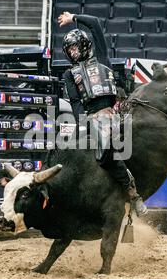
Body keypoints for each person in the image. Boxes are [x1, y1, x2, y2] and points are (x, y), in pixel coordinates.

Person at [58, 12, 148, 217]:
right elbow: (75, 102)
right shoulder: (69, 74)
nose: (72, 53)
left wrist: (73, 18)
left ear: (83, 46)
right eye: (69, 50)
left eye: (74, 47)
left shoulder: (102, 58)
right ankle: (131, 194)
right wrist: (86, 122)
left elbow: (96, 23)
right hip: (93, 118)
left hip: (117, 111)